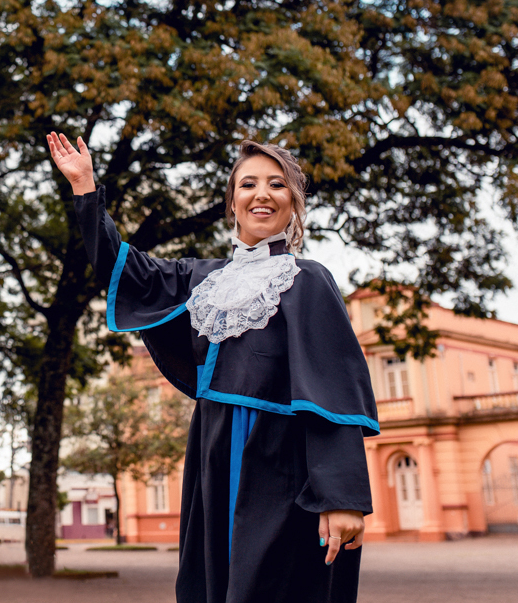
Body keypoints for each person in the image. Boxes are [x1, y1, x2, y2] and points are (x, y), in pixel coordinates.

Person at [47, 133, 378, 603]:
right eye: (248, 184)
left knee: (274, 583)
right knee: (211, 583)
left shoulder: (309, 281)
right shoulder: (201, 279)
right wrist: (85, 189)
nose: (262, 194)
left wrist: (341, 498)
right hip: (213, 448)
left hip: (280, 457)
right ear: (232, 202)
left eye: (277, 185)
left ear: (294, 204)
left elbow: (334, 392)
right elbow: (126, 269)